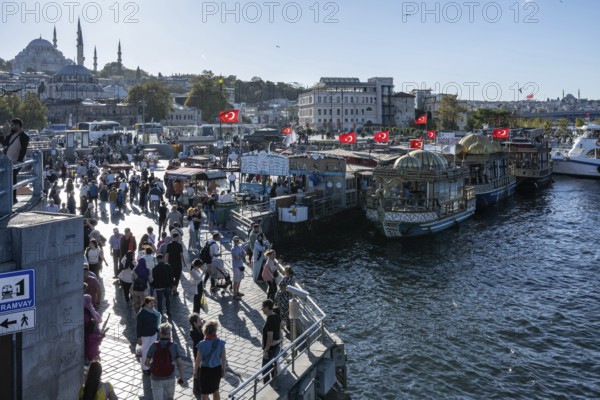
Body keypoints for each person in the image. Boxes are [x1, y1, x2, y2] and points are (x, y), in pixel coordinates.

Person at [145, 323, 186, 400]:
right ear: (170, 333)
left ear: (160, 333)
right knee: (170, 398)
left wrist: (154, 367)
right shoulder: (174, 346)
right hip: (170, 376)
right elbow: (180, 364)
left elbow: (146, 363)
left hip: (156, 378)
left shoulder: (153, 345)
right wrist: (182, 378)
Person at [194, 320, 227, 400]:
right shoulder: (221, 343)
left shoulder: (201, 344)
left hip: (205, 371)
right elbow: (224, 359)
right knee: (216, 391)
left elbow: (198, 361)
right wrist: (224, 370)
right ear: (215, 331)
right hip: (216, 370)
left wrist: (195, 372)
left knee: (204, 393)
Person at [1, 118, 30, 203]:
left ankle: (12, 199)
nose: (11, 127)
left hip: (16, 162)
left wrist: (19, 161)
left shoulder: (24, 136)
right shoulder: (11, 134)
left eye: (12, 125)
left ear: (18, 126)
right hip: (8, 162)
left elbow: (23, 150)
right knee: (8, 180)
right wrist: (3, 133)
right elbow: (4, 143)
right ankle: (9, 198)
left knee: (12, 179)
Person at [136, 297, 161, 377]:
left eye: (153, 303)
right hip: (145, 335)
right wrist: (139, 337)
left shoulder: (154, 311)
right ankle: (145, 368)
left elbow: (157, 321)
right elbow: (138, 327)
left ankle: (151, 365)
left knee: (152, 350)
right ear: (146, 304)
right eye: (151, 303)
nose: (152, 305)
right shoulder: (141, 313)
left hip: (153, 334)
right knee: (145, 351)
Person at [261, 299, 281, 385]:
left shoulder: (269, 320)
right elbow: (279, 330)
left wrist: (266, 351)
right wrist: (279, 340)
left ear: (267, 307)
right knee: (273, 365)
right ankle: (275, 383)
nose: (262, 309)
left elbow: (269, 338)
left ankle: (267, 386)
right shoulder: (276, 316)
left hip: (270, 349)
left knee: (265, 369)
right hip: (276, 346)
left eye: (263, 307)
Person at [189, 313, 205, 398]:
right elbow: (201, 340)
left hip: (202, 352)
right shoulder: (193, 331)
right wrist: (204, 331)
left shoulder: (200, 328)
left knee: (200, 369)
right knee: (197, 369)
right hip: (197, 352)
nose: (201, 321)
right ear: (195, 323)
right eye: (199, 320)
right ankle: (196, 388)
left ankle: (200, 386)